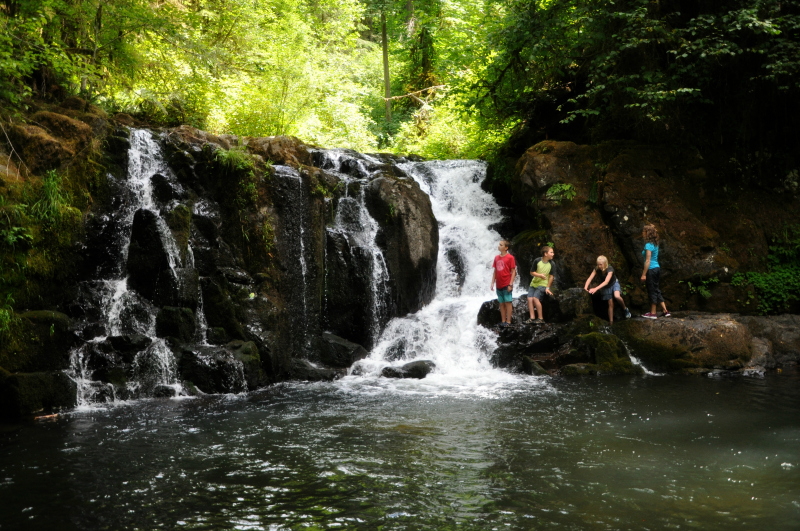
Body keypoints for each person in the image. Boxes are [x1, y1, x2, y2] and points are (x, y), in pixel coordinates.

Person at [584, 255, 631, 324]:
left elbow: (606, 282)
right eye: (598, 264)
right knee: (610, 303)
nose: (599, 266)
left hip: (613, 283)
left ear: (605, 264)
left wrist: (595, 288)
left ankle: (625, 309)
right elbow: (590, 278)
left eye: (600, 264)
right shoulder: (596, 269)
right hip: (606, 287)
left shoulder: (610, 269)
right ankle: (611, 322)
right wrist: (585, 288)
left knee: (617, 296)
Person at [640, 224, 670, 319]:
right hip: (657, 268)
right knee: (656, 289)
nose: (642, 233)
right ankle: (665, 310)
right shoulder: (655, 244)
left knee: (652, 290)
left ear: (647, 233)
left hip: (651, 269)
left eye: (644, 231)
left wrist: (644, 274)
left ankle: (653, 313)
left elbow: (648, 260)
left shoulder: (648, 245)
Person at [490, 240, 516, 327]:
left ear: (506, 248)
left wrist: (511, 284)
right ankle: (503, 321)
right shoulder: (496, 258)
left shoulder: (510, 258)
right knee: (501, 303)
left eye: (501, 245)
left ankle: (508, 321)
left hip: (506, 283)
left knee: (508, 302)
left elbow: (513, 271)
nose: (499, 246)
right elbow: (495, 271)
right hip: (499, 284)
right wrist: (492, 282)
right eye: (499, 244)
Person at [526, 246, 555, 323]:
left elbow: (551, 277)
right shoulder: (537, 260)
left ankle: (540, 318)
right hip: (534, 283)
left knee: (536, 298)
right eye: (551, 252)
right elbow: (532, 272)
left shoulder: (552, 264)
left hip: (543, 284)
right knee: (529, 299)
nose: (553, 254)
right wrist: (540, 275)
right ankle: (532, 318)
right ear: (545, 254)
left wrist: (548, 287)